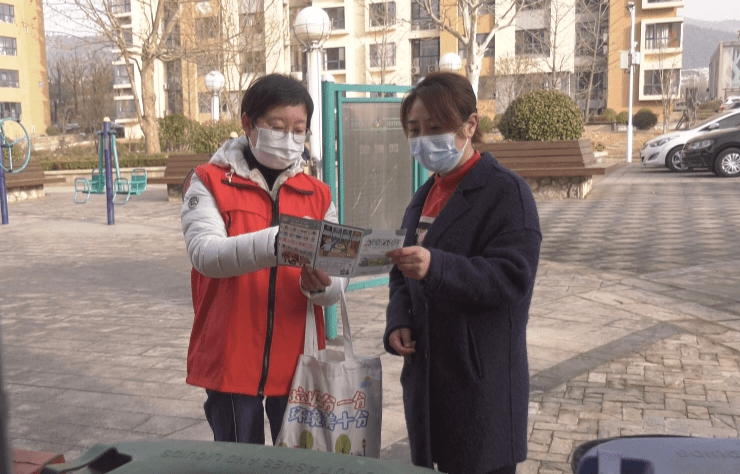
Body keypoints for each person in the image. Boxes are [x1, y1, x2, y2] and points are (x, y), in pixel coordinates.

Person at [383, 72, 542, 474]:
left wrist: (437, 267)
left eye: (435, 128)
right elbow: (403, 274)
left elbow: (511, 277)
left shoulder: (507, 192)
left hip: (479, 380)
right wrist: (398, 321)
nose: (423, 140)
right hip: (428, 373)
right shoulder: (426, 193)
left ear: (470, 125)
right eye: (414, 130)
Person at [181, 73, 346, 445]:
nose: (289, 137)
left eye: (298, 129)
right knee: (241, 463)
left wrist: (324, 286)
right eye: (277, 126)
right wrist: (281, 242)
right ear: (248, 123)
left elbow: (336, 278)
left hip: (298, 361)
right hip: (232, 356)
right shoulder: (207, 182)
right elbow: (205, 254)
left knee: (300, 464)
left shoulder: (317, 194)